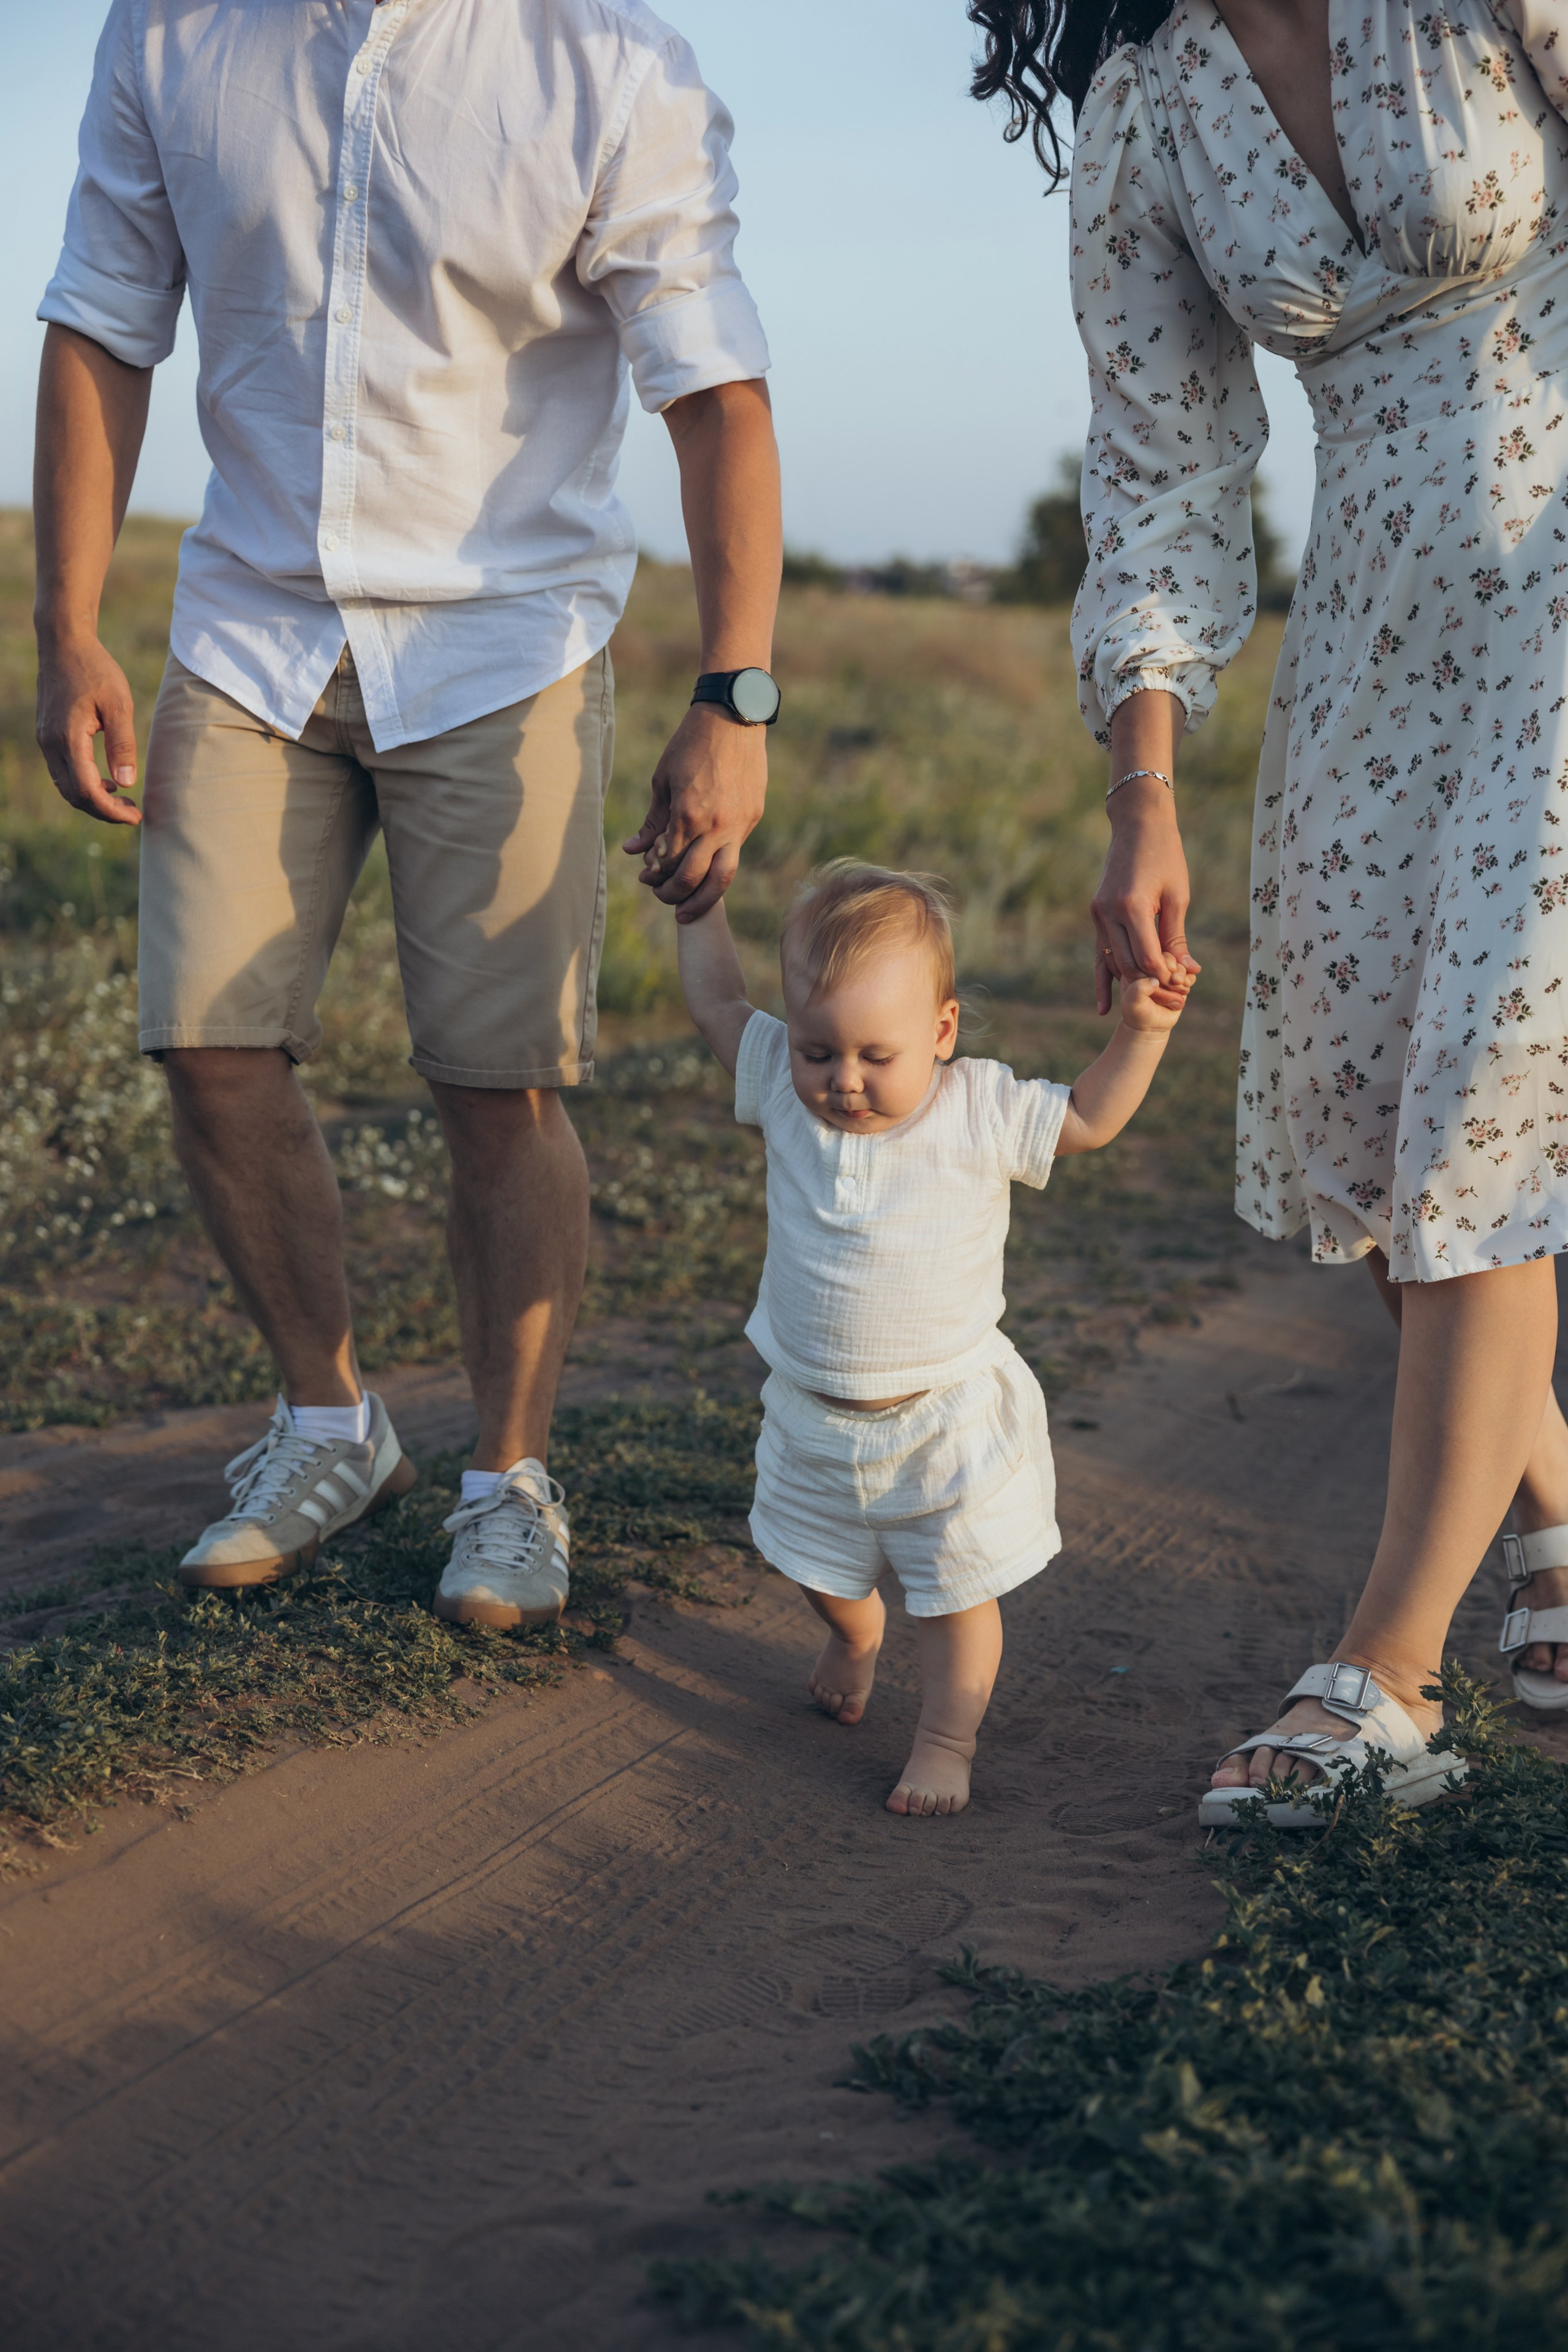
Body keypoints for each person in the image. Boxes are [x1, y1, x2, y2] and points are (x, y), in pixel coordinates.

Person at [33, 0, 783, 1626]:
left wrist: (736, 695)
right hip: (250, 625)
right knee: (208, 1041)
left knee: (495, 1082)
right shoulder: (169, 33)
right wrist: (70, 625)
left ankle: (508, 1480)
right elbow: (101, 321)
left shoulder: (609, 63)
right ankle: (326, 1420)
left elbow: (715, 392)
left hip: (506, 640)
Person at [969, 0, 1568, 1824]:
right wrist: (1139, 795)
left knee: (1482, 1088)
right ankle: (1554, 1527)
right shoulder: (1150, 113)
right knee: (1386, 1134)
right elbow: (1159, 478)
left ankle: (1387, 1678)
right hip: (1376, 645)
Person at [672, 861, 1194, 1814]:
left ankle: (947, 1741)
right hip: (810, 1415)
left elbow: (1086, 1117)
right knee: (810, 1565)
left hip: (942, 1421)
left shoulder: (978, 1107)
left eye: (877, 1055)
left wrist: (1142, 1029)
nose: (844, 1081)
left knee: (955, 1599)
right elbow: (715, 1002)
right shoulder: (782, 1090)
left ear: (942, 1031)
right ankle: (855, 1635)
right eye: (818, 1051)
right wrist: (699, 909)